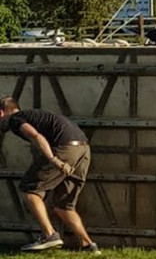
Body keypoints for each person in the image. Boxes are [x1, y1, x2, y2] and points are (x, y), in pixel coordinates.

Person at [0, 97, 100, 253]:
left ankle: (50, 235)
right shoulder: (33, 115)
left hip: (64, 148)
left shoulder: (15, 119)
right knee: (63, 204)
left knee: (30, 189)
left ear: (1, 113)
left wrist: (55, 161)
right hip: (83, 149)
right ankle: (88, 245)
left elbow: (37, 137)